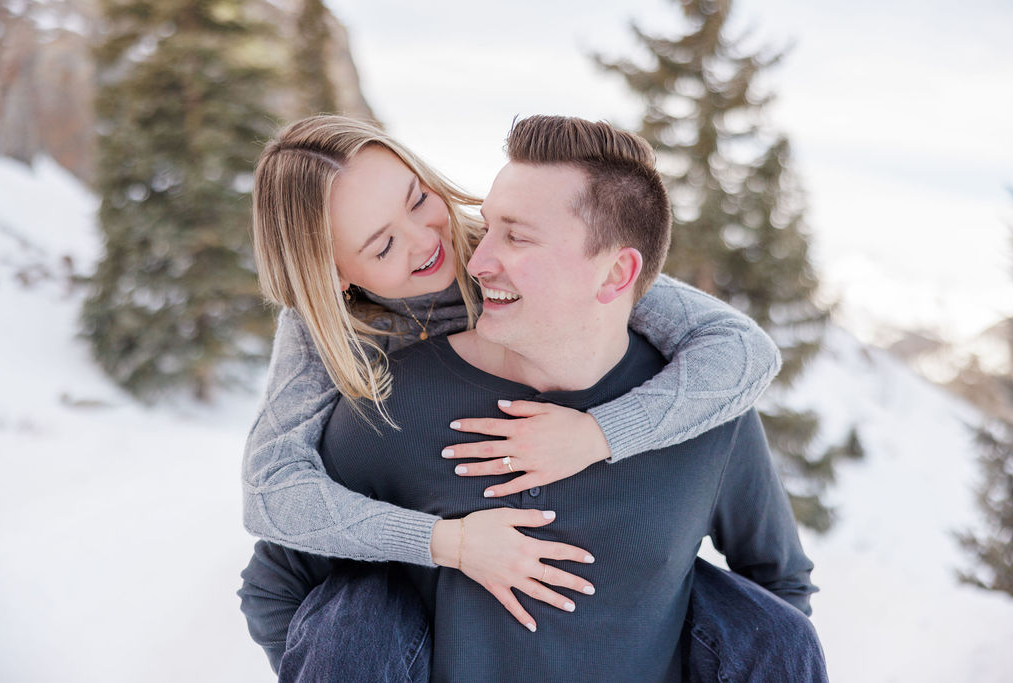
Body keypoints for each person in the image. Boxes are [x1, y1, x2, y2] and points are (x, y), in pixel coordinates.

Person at [240, 115, 827, 681]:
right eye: (383, 245)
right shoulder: (332, 340)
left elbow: (738, 349)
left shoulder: (510, 256)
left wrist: (598, 434)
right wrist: (447, 543)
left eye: (419, 201)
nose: (434, 242)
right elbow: (272, 493)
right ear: (333, 275)